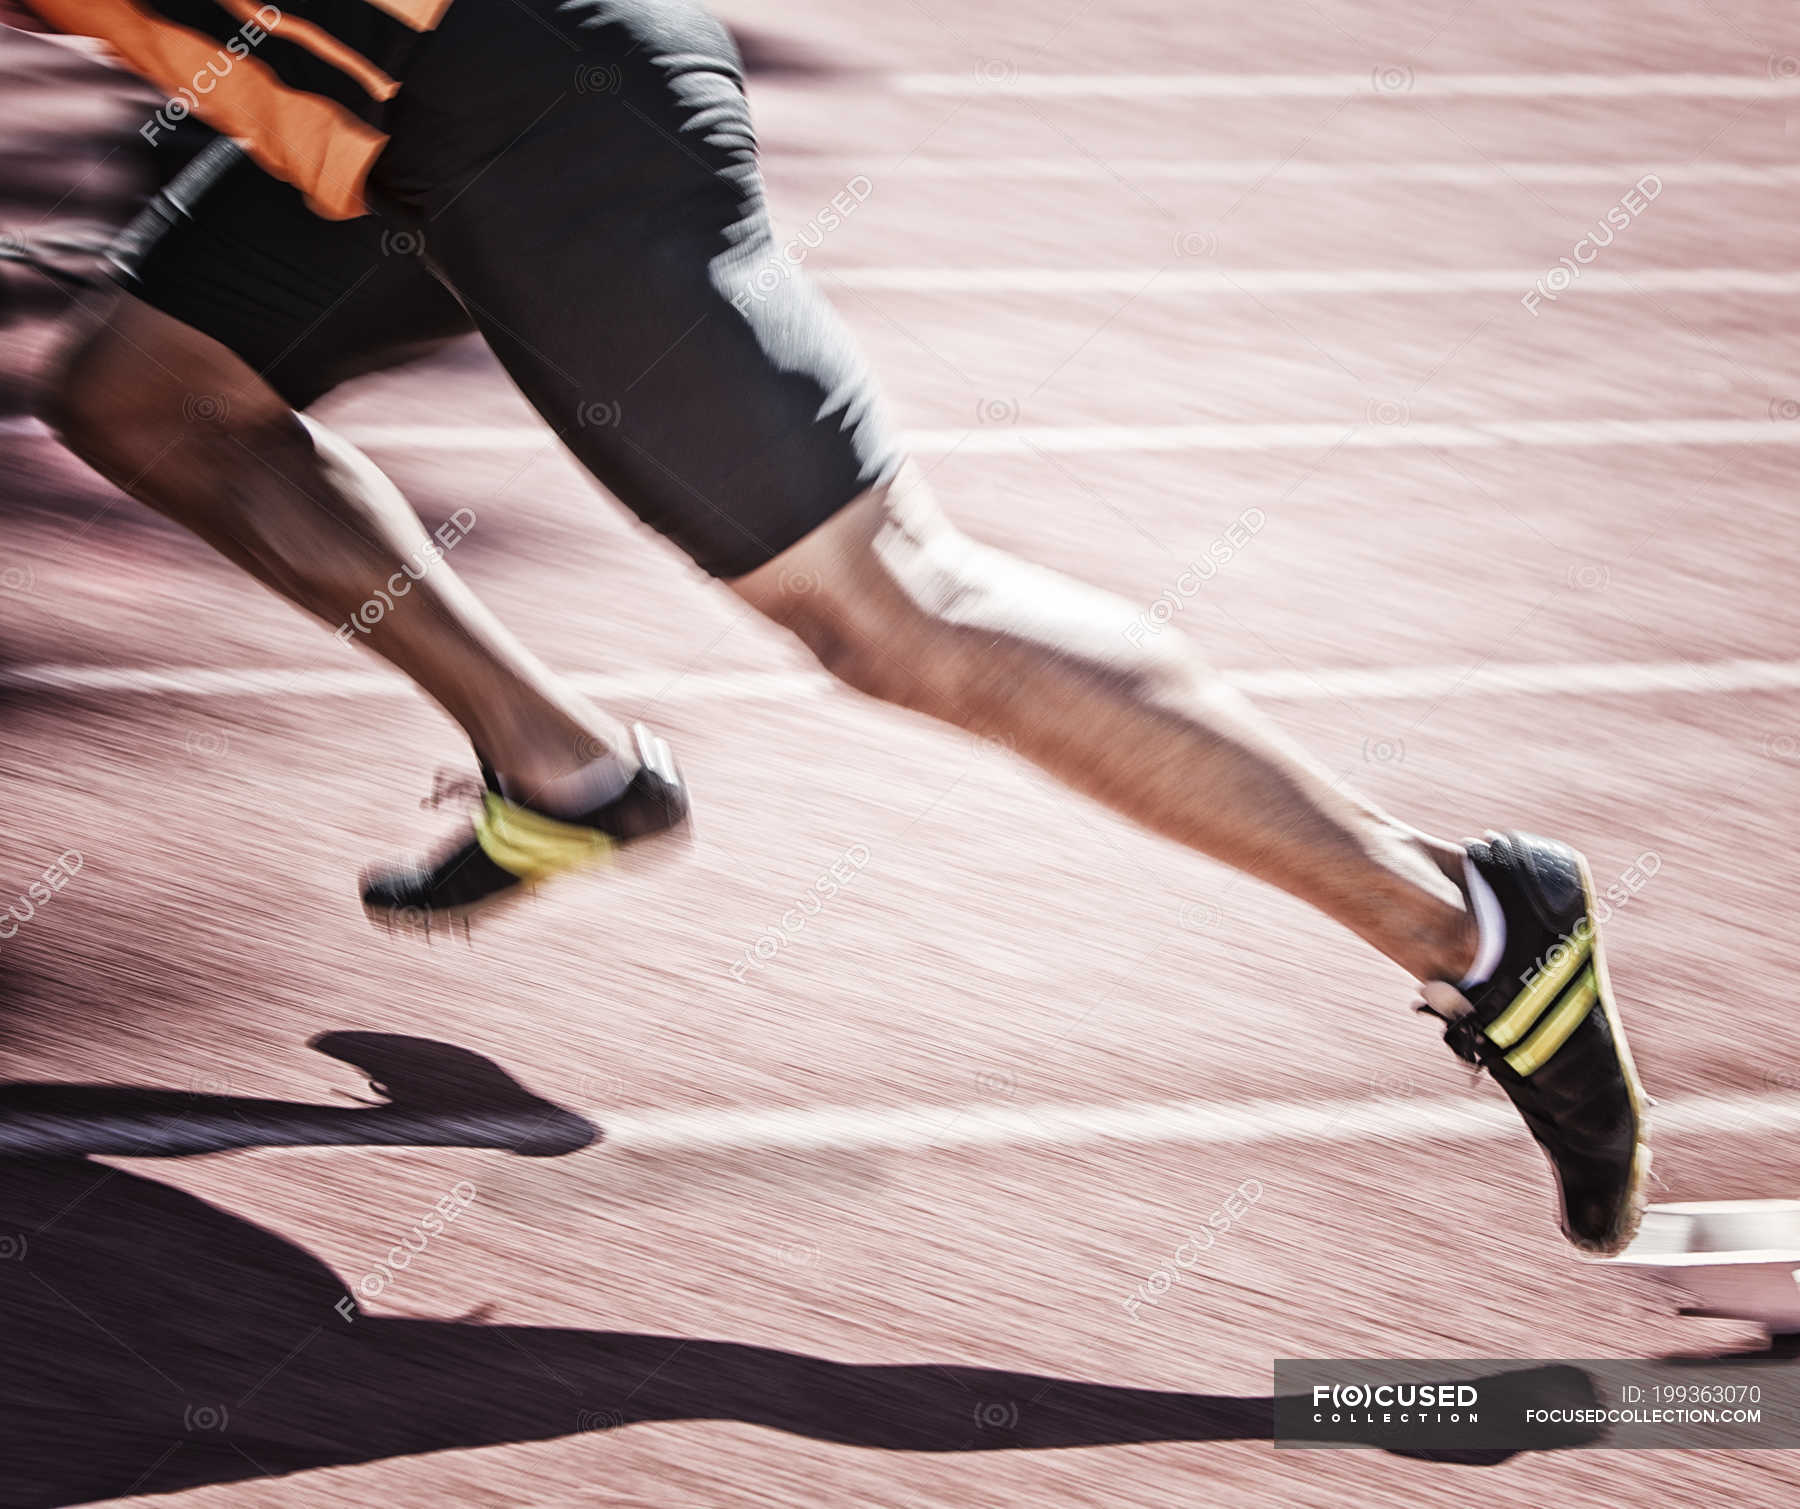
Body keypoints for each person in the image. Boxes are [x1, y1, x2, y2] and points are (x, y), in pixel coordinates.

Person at [1, 0, 1649, 1255]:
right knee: (145, 390)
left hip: (533, 95)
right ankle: (565, 769)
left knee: (890, 608)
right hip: (376, 125)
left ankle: (1473, 923)